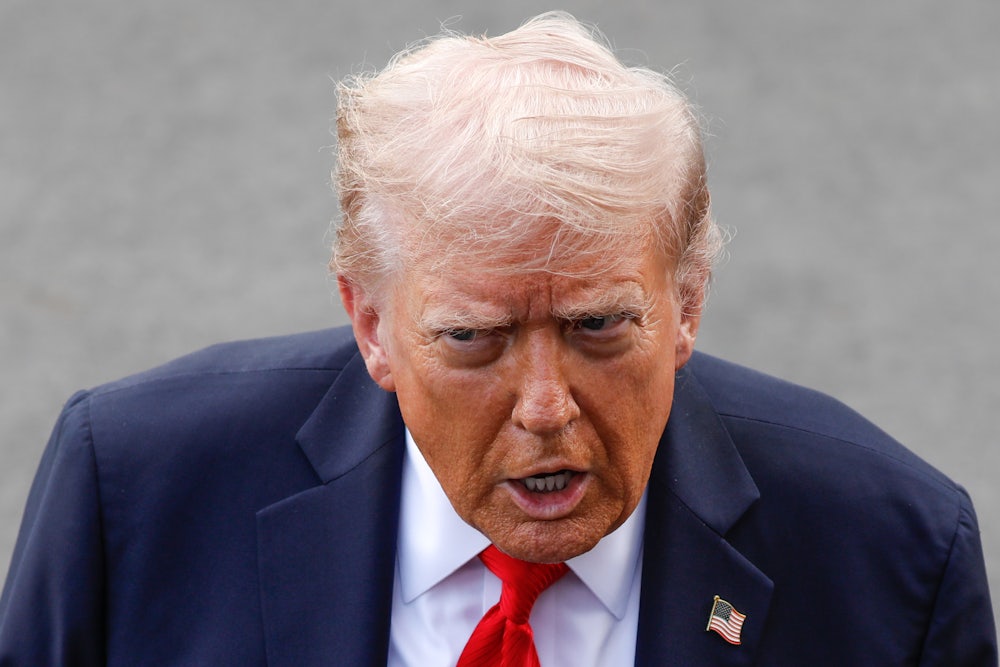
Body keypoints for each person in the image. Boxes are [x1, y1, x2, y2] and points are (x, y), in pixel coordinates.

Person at [0, 11, 995, 666]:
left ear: (687, 303)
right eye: (475, 337)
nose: (545, 407)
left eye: (598, 325)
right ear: (370, 323)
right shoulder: (132, 493)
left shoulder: (891, 556)